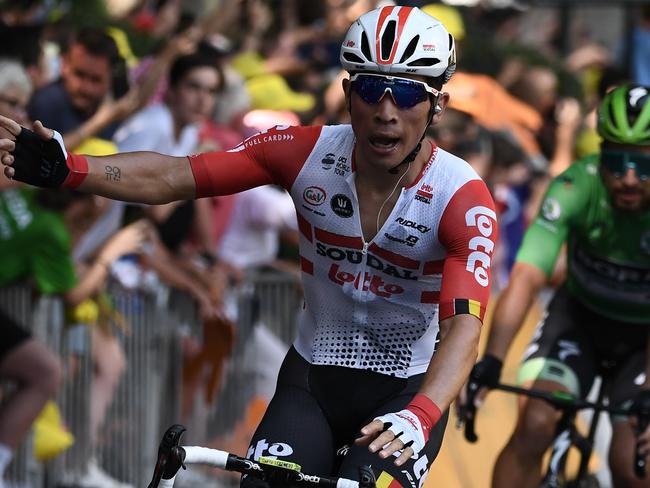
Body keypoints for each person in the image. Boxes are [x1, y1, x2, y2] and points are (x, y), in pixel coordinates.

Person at [0, 6, 497, 486]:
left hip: (405, 394)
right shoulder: (306, 153)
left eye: (407, 94)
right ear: (348, 93)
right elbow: (178, 175)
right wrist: (72, 169)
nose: (386, 112)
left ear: (437, 106)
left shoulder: (460, 196)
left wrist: (422, 415)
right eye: (371, 89)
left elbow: (462, 329)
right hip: (312, 381)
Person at [465, 83, 650, 488]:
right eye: (616, 163)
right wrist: (492, 358)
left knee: (634, 466)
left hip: (643, 341)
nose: (630, 179)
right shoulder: (575, 186)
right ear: (600, 155)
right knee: (535, 422)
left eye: (644, 165)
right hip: (579, 322)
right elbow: (527, 275)